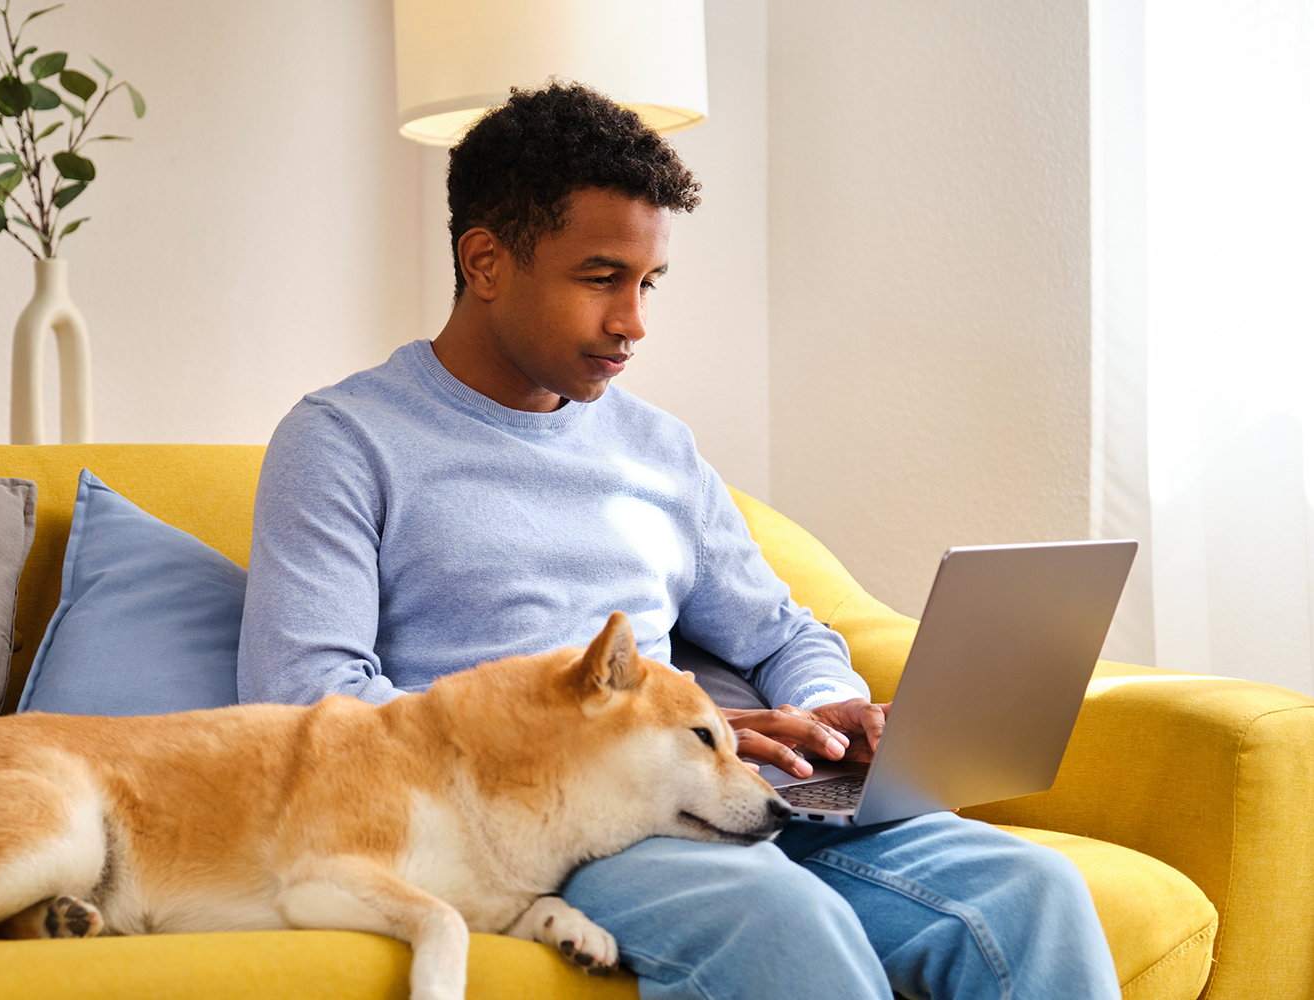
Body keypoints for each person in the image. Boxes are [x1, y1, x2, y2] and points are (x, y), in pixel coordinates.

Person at [238, 82, 1120, 1000]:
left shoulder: (656, 447)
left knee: (1037, 891)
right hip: (558, 822)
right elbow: (310, 702)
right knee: (785, 922)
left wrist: (830, 711)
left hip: (743, 784)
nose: (634, 322)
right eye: (601, 277)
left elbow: (781, 632)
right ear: (486, 261)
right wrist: (660, 741)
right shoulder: (344, 440)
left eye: (648, 282)